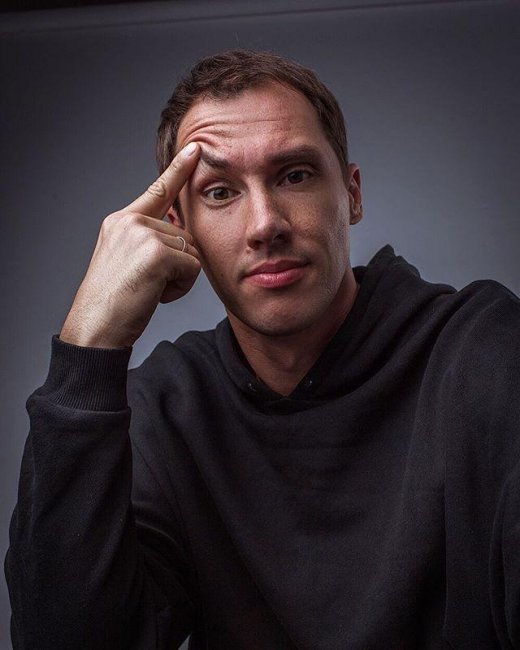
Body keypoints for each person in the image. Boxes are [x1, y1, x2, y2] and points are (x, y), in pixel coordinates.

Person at [5, 49, 520, 650]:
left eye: (294, 175)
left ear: (351, 194)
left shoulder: (485, 354)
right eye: (220, 192)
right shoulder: (168, 409)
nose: (264, 224)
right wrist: (89, 348)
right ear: (180, 227)